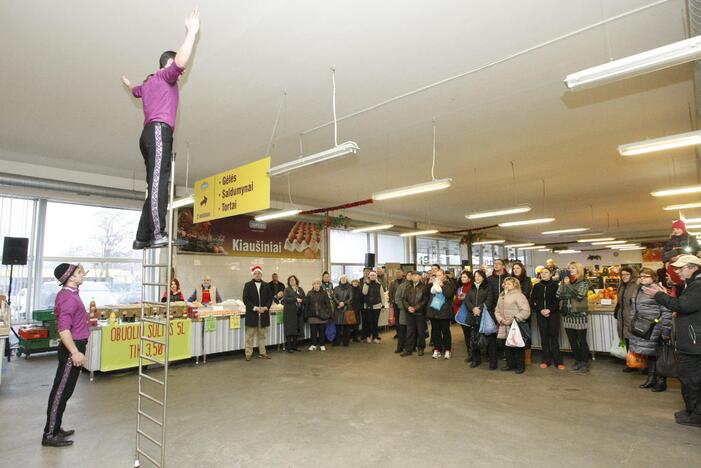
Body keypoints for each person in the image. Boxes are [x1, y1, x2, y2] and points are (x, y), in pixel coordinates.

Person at [122, 8, 200, 249]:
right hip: (158, 131)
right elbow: (180, 61)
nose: (181, 70)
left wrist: (128, 85)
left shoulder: (147, 84)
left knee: (154, 184)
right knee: (159, 183)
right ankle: (157, 233)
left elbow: (135, 90)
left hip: (149, 135)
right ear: (167, 62)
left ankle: (142, 236)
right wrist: (192, 34)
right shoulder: (165, 76)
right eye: (175, 63)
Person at [643, 254, 701, 427]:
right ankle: (693, 411)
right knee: (692, 380)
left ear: (692, 268)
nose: (677, 271)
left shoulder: (697, 286)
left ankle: (696, 416)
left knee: (691, 380)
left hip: (694, 343)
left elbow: (682, 305)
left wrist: (659, 296)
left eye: (680, 268)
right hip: (693, 341)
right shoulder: (692, 285)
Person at [42, 263, 89, 447]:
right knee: (61, 392)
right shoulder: (68, 298)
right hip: (73, 347)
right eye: (79, 273)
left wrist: (79, 272)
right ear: (70, 278)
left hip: (75, 345)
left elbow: (75, 281)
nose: (82, 275)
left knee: (63, 390)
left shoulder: (69, 293)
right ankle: (50, 434)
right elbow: (63, 330)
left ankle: (55, 426)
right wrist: (75, 352)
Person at [631, 268, 673, 391]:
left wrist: (666, 331)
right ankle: (651, 379)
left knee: (659, 355)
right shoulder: (639, 289)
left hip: (656, 326)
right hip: (645, 326)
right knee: (651, 355)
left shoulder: (657, 290)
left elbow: (666, 311)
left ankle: (661, 382)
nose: (642, 278)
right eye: (641, 276)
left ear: (653, 277)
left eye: (646, 276)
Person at [557, 262, 591, 373]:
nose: (570, 270)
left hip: (579, 314)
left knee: (581, 340)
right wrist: (565, 286)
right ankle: (577, 360)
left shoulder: (584, 282)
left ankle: (584, 362)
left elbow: (580, 296)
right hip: (567, 314)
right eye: (568, 268)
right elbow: (558, 295)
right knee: (572, 340)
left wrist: (567, 286)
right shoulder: (564, 281)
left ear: (578, 270)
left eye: (573, 268)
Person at [495, 277, 531, 374]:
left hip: (516, 325)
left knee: (518, 346)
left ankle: (520, 366)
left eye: (509, 284)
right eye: (505, 283)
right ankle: (510, 364)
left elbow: (526, 311)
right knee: (507, 346)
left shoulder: (519, 295)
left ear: (515, 285)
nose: (506, 285)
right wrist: (501, 320)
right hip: (504, 325)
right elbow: (497, 310)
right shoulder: (501, 295)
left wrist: (513, 319)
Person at [530, 268, 564, 369]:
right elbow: (533, 301)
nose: (544, 274)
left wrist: (549, 310)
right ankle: (546, 360)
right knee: (544, 337)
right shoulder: (537, 286)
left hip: (553, 314)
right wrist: (540, 310)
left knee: (554, 337)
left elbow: (558, 301)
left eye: (546, 273)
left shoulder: (555, 286)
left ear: (551, 274)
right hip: (541, 315)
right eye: (542, 273)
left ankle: (558, 361)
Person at [465, 269, 497, 369]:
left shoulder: (488, 287)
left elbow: (489, 301)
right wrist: (473, 309)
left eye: (479, 276)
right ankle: (476, 360)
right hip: (474, 317)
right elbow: (467, 300)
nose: (477, 278)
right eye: (476, 276)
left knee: (491, 341)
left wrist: (479, 309)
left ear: (483, 277)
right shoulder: (472, 287)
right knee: (475, 339)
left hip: (486, 318)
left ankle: (493, 362)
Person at [242, 266, 273, 361]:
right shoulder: (248, 285)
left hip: (263, 314)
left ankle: (263, 353)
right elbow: (245, 299)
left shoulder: (266, 285)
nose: (257, 275)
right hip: (252, 314)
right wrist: (255, 308)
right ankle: (248, 353)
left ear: (261, 274)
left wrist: (266, 307)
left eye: (259, 273)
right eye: (255, 273)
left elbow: (269, 299)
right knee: (250, 335)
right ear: (253, 274)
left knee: (262, 335)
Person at [663, 219, 701, 295]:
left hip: (688, 264)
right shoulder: (670, 240)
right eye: (674, 229)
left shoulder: (690, 239)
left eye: (677, 228)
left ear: (683, 228)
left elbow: (697, 250)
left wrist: (685, 254)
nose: (676, 231)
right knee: (676, 282)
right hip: (674, 264)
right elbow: (665, 252)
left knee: (688, 282)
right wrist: (666, 261)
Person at [427, 269, 456, 360]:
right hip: (434, 312)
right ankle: (437, 349)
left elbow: (449, 294)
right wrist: (429, 284)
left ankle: (447, 350)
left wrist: (442, 285)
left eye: (440, 275)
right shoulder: (432, 284)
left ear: (444, 276)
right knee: (436, 332)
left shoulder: (448, 284)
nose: (438, 277)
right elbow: (425, 294)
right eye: (436, 275)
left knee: (446, 331)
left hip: (444, 313)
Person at [615, 266, 639, 373]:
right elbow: (620, 301)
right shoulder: (621, 286)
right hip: (623, 317)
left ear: (632, 275)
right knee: (627, 339)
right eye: (622, 274)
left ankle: (639, 364)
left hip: (632, 317)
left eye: (626, 274)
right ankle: (631, 364)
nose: (624, 276)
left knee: (635, 340)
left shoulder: (636, 286)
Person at [401, 272, 429, 357]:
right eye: (412, 275)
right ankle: (408, 349)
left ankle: (421, 348)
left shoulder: (424, 287)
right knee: (410, 332)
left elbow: (425, 300)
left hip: (420, 313)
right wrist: (408, 307)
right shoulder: (408, 287)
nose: (413, 277)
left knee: (421, 332)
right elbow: (404, 299)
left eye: (415, 275)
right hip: (409, 313)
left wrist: (415, 308)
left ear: (419, 277)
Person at [305, 279, 333, 351]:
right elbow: (306, 305)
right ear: (313, 285)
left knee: (322, 332)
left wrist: (329, 314)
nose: (316, 285)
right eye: (315, 284)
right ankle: (313, 345)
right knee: (313, 332)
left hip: (322, 316)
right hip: (312, 315)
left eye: (318, 284)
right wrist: (306, 315)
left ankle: (322, 344)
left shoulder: (324, 293)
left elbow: (328, 304)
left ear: (320, 285)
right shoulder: (309, 293)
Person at [282, 275, 305, 353]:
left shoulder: (300, 289)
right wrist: (295, 299)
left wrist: (302, 300)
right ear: (288, 282)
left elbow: (304, 298)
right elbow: (286, 299)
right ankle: (289, 347)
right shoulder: (287, 289)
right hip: (289, 312)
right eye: (290, 280)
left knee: (296, 329)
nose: (292, 281)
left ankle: (295, 346)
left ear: (296, 280)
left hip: (298, 312)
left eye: (293, 279)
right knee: (289, 330)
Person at [362, 271, 386, 343]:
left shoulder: (379, 285)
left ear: (375, 277)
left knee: (375, 323)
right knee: (369, 322)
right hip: (368, 306)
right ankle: (368, 336)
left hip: (377, 306)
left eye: (374, 275)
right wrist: (366, 284)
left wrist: (383, 304)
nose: (372, 276)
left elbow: (382, 295)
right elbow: (364, 292)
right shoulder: (366, 284)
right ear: (369, 276)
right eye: (371, 275)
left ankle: (375, 337)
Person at [455, 271, 473, 361]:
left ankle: (477, 353)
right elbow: (456, 303)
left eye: (465, 277)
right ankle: (470, 353)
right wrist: (459, 298)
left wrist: (466, 297)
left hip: (473, 314)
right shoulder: (459, 289)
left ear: (469, 278)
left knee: (474, 334)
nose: (463, 279)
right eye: (462, 277)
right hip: (463, 315)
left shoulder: (473, 287)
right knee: (467, 335)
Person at [332, 275, 353, 346]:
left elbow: (351, 298)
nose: (343, 279)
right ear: (340, 280)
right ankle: (337, 341)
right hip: (338, 308)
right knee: (338, 326)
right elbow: (334, 297)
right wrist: (339, 303)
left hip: (347, 309)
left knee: (346, 327)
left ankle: (346, 341)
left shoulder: (350, 288)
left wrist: (344, 303)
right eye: (342, 278)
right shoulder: (336, 288)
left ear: (347, 280)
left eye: (344, 278)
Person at [394, 274, 410, 354]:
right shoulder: (401, 286)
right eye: (409, 275)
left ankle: (410, 347)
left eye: (412, 275)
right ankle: (400, 347)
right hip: (403, 311)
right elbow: (397, 298)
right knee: (402, 330)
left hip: (413, 312)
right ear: (406, 277)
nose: (410, 276)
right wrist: (402, 307)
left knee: (411, 331)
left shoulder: (416, 285)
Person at [388, 270, 405, 339]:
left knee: (403, 319)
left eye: (399, 273)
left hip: (404, 304)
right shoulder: (393, 283)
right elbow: (390, 293)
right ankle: (398, 333)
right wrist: (391, 302)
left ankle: (404, 333)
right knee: (397, 319)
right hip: (395, 303)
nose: (398, 274)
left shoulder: (406, 282)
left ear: (402, 274)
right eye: (397, 273)